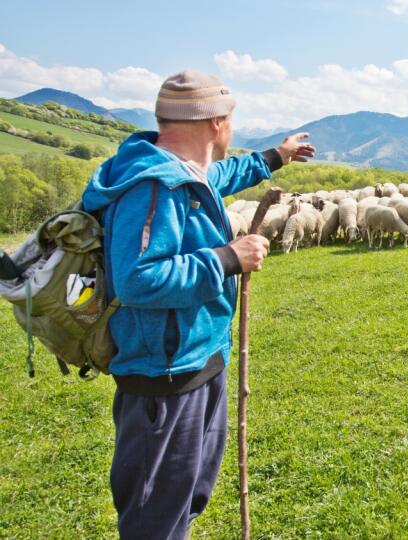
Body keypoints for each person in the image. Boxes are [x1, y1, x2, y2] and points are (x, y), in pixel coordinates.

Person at [81, 70, 316, 539]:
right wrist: (229, 257)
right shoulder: (151, 186)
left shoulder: (187, 174)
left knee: (186, 498)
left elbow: (218, 176)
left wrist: (276, 156)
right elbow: (138, 279)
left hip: (199, 362)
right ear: (215, 123)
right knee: (155, 514)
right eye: (231, 120)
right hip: (163, 379)